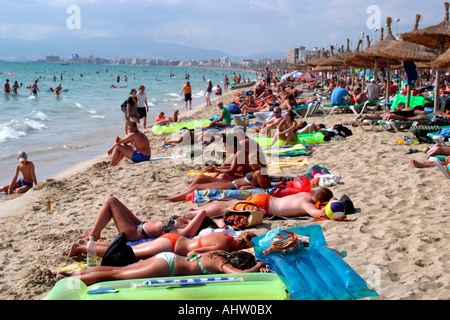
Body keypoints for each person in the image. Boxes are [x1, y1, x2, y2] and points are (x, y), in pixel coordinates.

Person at [56, 250, 268, 286]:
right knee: (115, 275)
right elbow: (241, 275)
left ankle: (69, 274)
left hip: (167, 258)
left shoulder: (219, 253)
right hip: (166, 267)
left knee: (114, 270)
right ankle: (70, 280)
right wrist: (259, 266)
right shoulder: (223, 264)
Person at [78, 196, 215, 242]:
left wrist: (203, 216)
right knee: (115, 203)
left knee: (111, 201)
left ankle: (94, 234)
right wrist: (219, 222)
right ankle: (93, 232)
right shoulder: (184, 223)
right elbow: (195, 213)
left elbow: (202, 212)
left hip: (136, 234)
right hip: (140, 224)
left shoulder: (185, 232)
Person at [69, 231, 256, 259]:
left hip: (173, 238)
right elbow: (196, 252)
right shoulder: (224, 246)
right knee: (128, 253)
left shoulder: (223, 234)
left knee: (133, 247)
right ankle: (81, 248)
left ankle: (88, 242)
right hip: (172, 248)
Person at [186, 187, 335, 220]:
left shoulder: (307, 194)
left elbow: (319, 192)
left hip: (264, 197)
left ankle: (200, 208)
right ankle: (194, 214)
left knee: (229, 205)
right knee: (227, 209)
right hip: (263, 207)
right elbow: (319, 214)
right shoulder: (306, 203)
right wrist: (332, 204)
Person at [162, 166, 271, 202]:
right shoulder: (259, 171)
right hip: (232, 183)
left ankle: (173, 198)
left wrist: (248, 188)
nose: (250, 163)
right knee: (200, 177)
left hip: (233, 187)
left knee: (197, 187)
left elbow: (265, 190)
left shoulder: (261, 172)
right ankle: (184, 193)